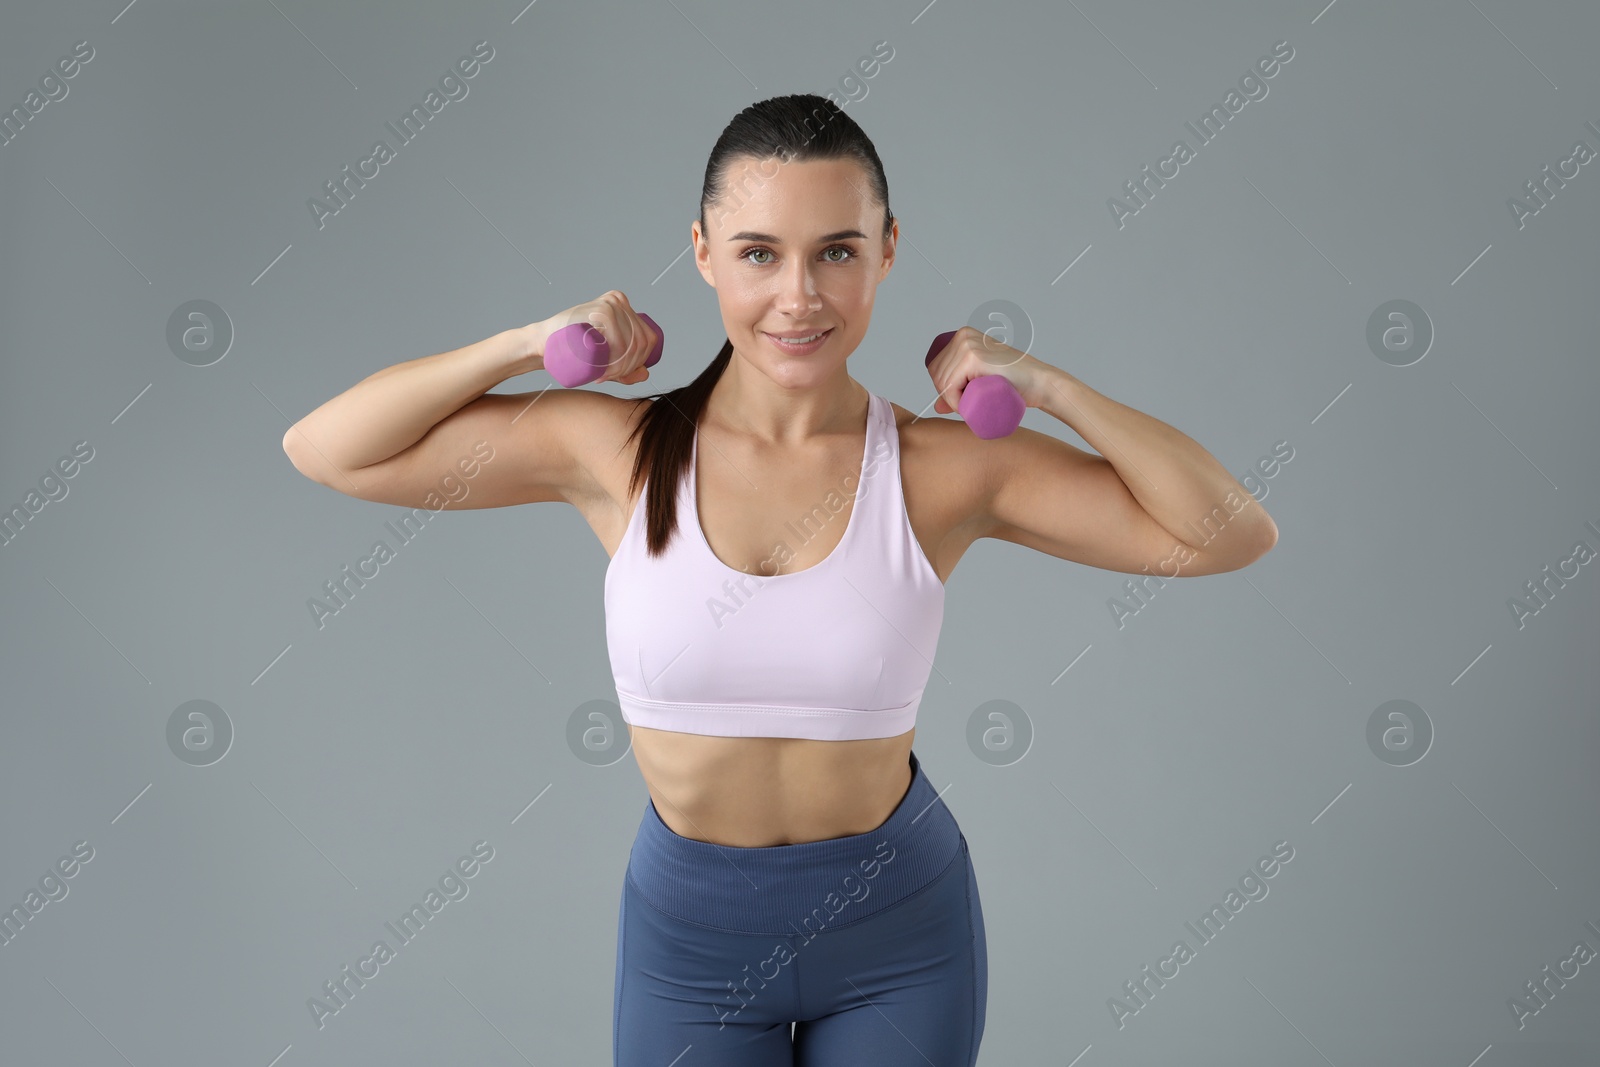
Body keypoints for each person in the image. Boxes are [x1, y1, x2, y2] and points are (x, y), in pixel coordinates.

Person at [283, 92, 1278, 1065]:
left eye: (836, 251)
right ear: (703, 253)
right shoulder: (614, 449)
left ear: (886, 252)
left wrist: (1047, 385)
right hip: (690, 948)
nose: (798, 296)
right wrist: (528, 345)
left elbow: (1230, 532)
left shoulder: (939, 470)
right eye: (758, 252)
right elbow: (329, 448)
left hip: (898, 940)